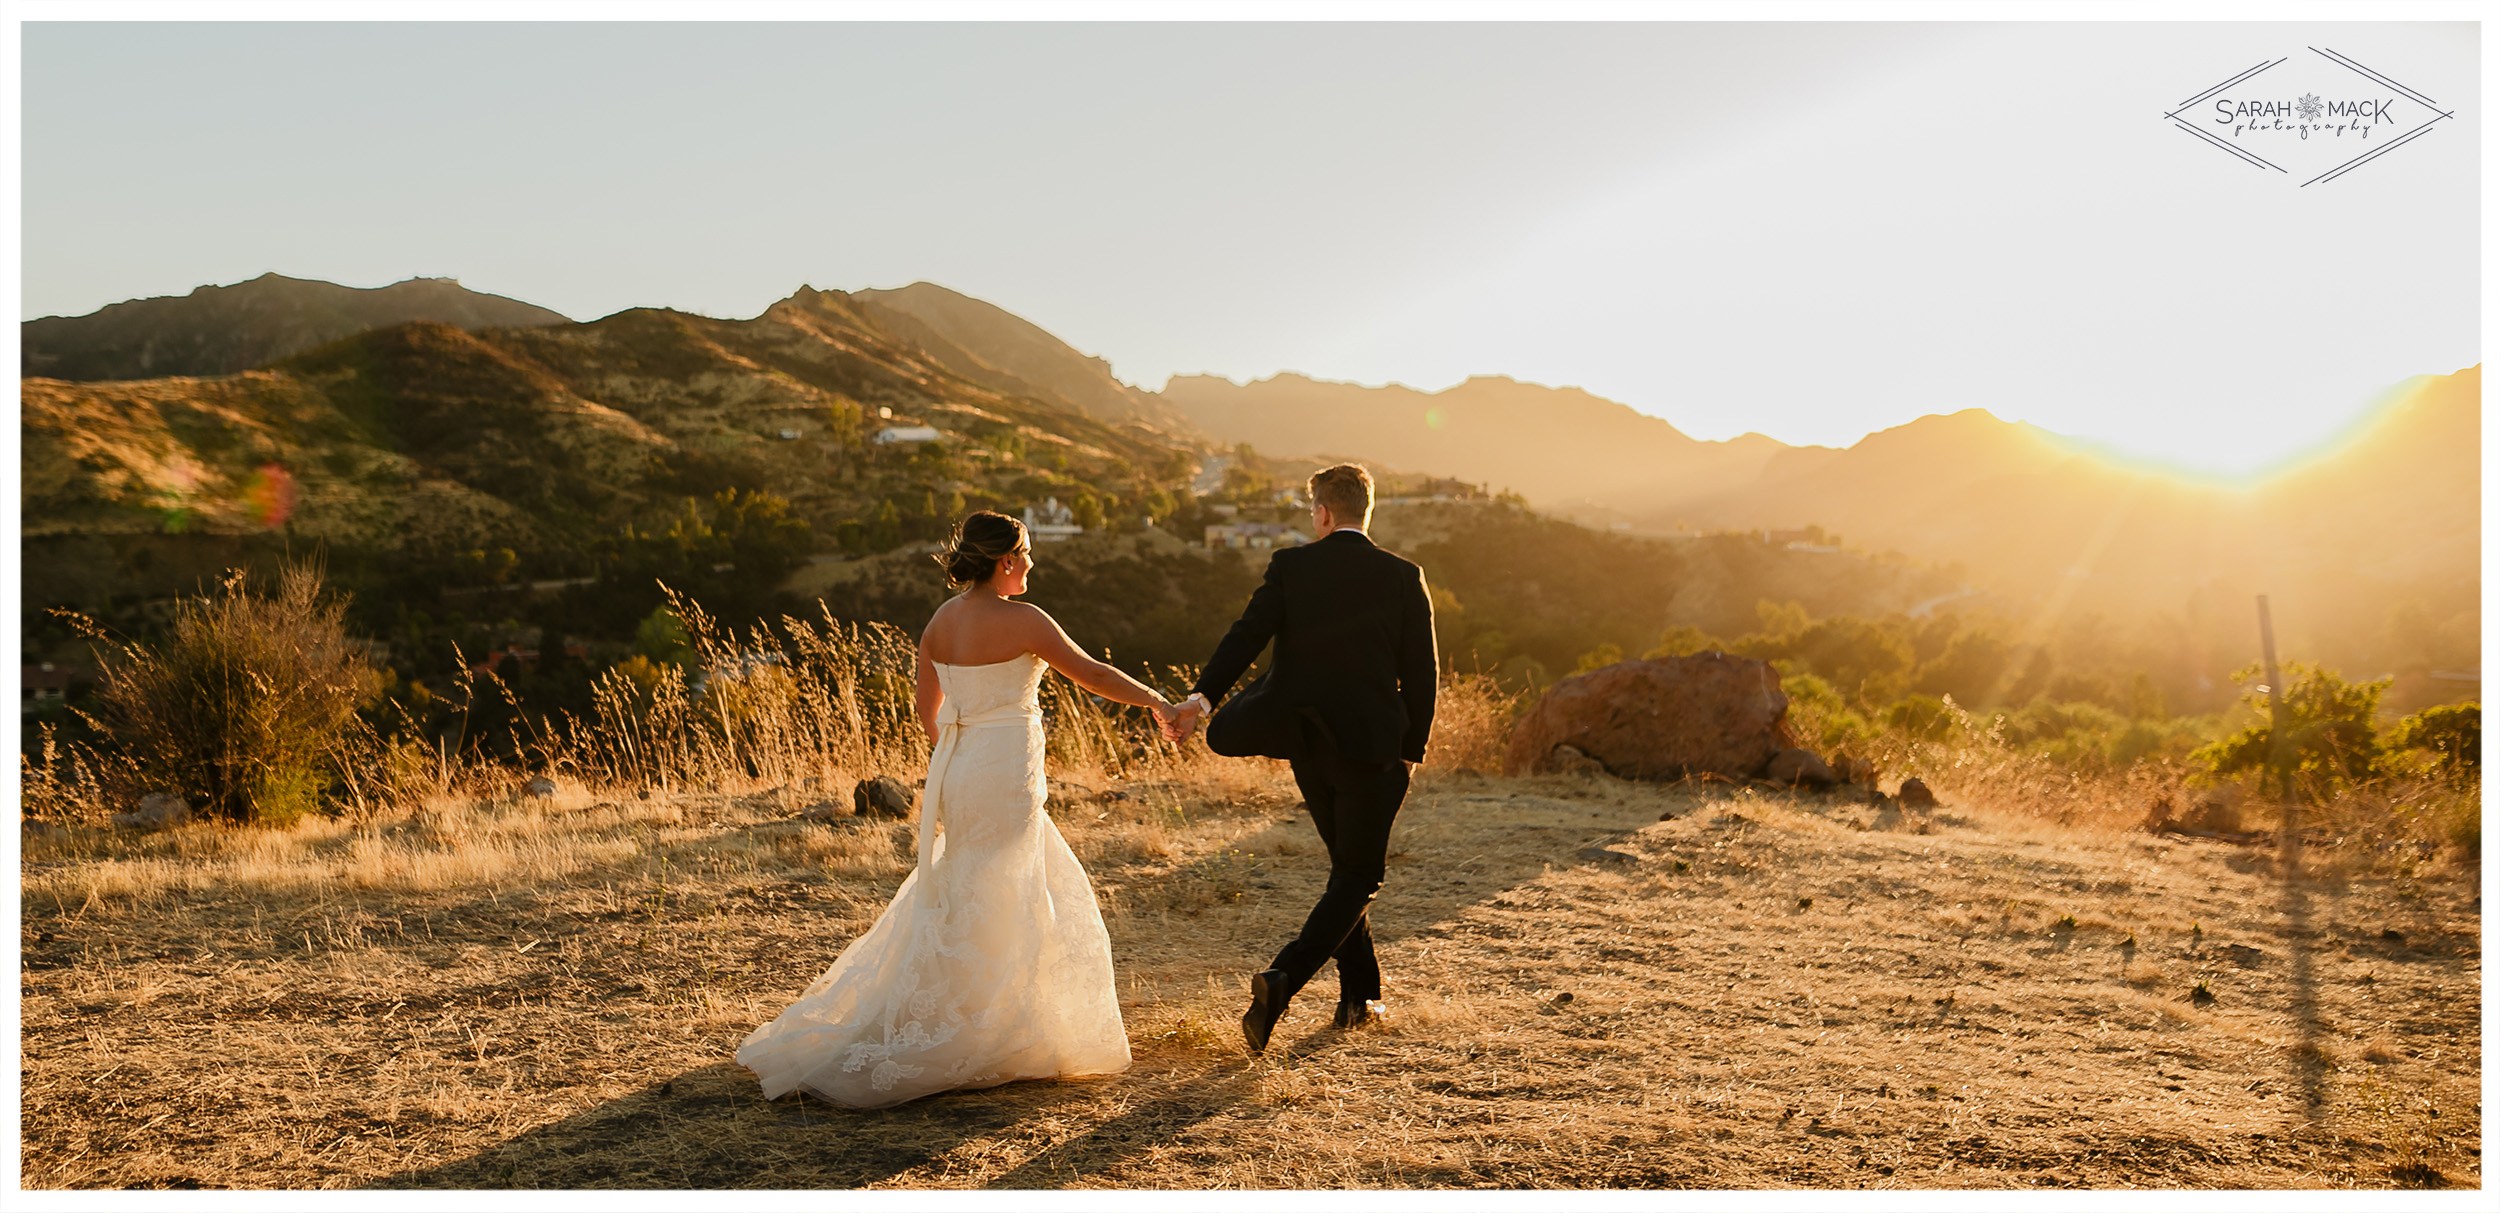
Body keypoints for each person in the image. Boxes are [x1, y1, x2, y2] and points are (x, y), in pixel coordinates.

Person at [737, 511, 1180, 1107]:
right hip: (1007, 772)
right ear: (1004, 561)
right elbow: (1092, 674)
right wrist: (1157, 701)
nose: (1029, 565)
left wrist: (959, 753)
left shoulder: (940, 622)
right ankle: (1003, 1025)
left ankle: (974, 1010)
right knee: (1010, 881)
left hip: (961, 767)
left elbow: (928, 712)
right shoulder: (1026, 620)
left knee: (969, 879)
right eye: (1024, 554)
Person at [1164, 463, 1436, 1053]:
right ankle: (1284, 978)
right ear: (1365, 512)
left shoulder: (1292, 566)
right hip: (1374, 752)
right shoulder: (1403, 576)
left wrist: (1200, 700)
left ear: (1322, 514)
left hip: (1309, 748)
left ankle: (1361, 995)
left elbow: (1246, 635)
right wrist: (1409, 753)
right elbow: (1422, 675)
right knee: (1361, 875)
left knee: (1347, 870)